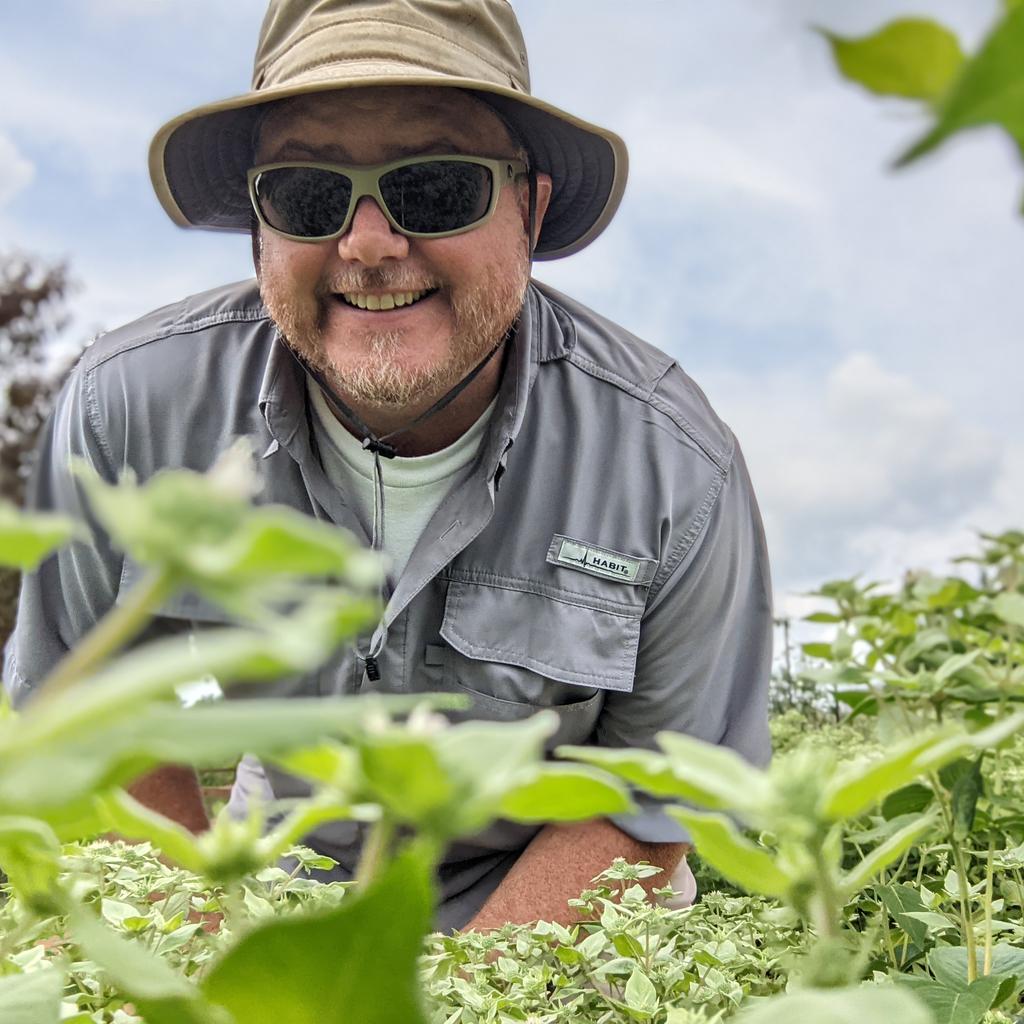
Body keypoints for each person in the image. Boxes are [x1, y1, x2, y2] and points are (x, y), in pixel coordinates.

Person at [5, 0, 772, 932]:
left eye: (437, 186)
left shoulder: (675, 464)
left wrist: (452, 999)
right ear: (259, 224)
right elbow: (87, 723)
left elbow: (655, 803)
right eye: (306, 193)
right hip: (268, 873)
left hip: (546, 896)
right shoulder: (126, 409)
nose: (368, 244)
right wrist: (212, 963)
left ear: (531, 208)